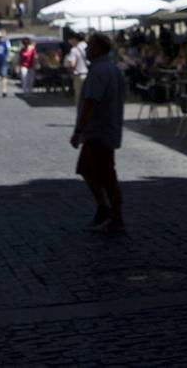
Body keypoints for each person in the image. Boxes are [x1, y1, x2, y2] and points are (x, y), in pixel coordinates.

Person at [70, 33, 126, 234]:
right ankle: (104, 208)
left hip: (98, 131)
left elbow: (91, 103)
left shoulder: (99, 72)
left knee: (106, 175)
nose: (86, 50)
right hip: (104, 129)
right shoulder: (111, 69)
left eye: (90, 46)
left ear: (99, 49)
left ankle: (115, 216)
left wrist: (79, 130)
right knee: (86, 169)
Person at [64, 32, 88, 104]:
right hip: (90, 75)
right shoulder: (90, 47)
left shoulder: (74, 49)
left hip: (79, 75)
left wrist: (71, 72)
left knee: (79, 97)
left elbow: (73, 64)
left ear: (75, 39)